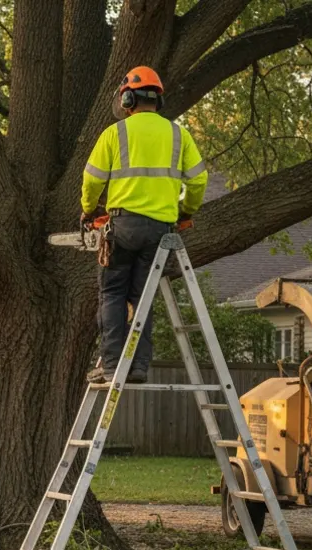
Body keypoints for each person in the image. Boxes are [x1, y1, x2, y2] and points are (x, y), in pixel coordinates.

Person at [81, 66, 208, 383]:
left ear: (127, 98)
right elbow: (199, 179)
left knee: (112, 293)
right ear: (158, 100)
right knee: (142, 295)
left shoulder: (116, 133)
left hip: (122, 227)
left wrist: (88, 210)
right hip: (162, 232)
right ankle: (138, 367)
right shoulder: (179, 134)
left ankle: (111, 366)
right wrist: (185, 211)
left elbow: (92, 179)